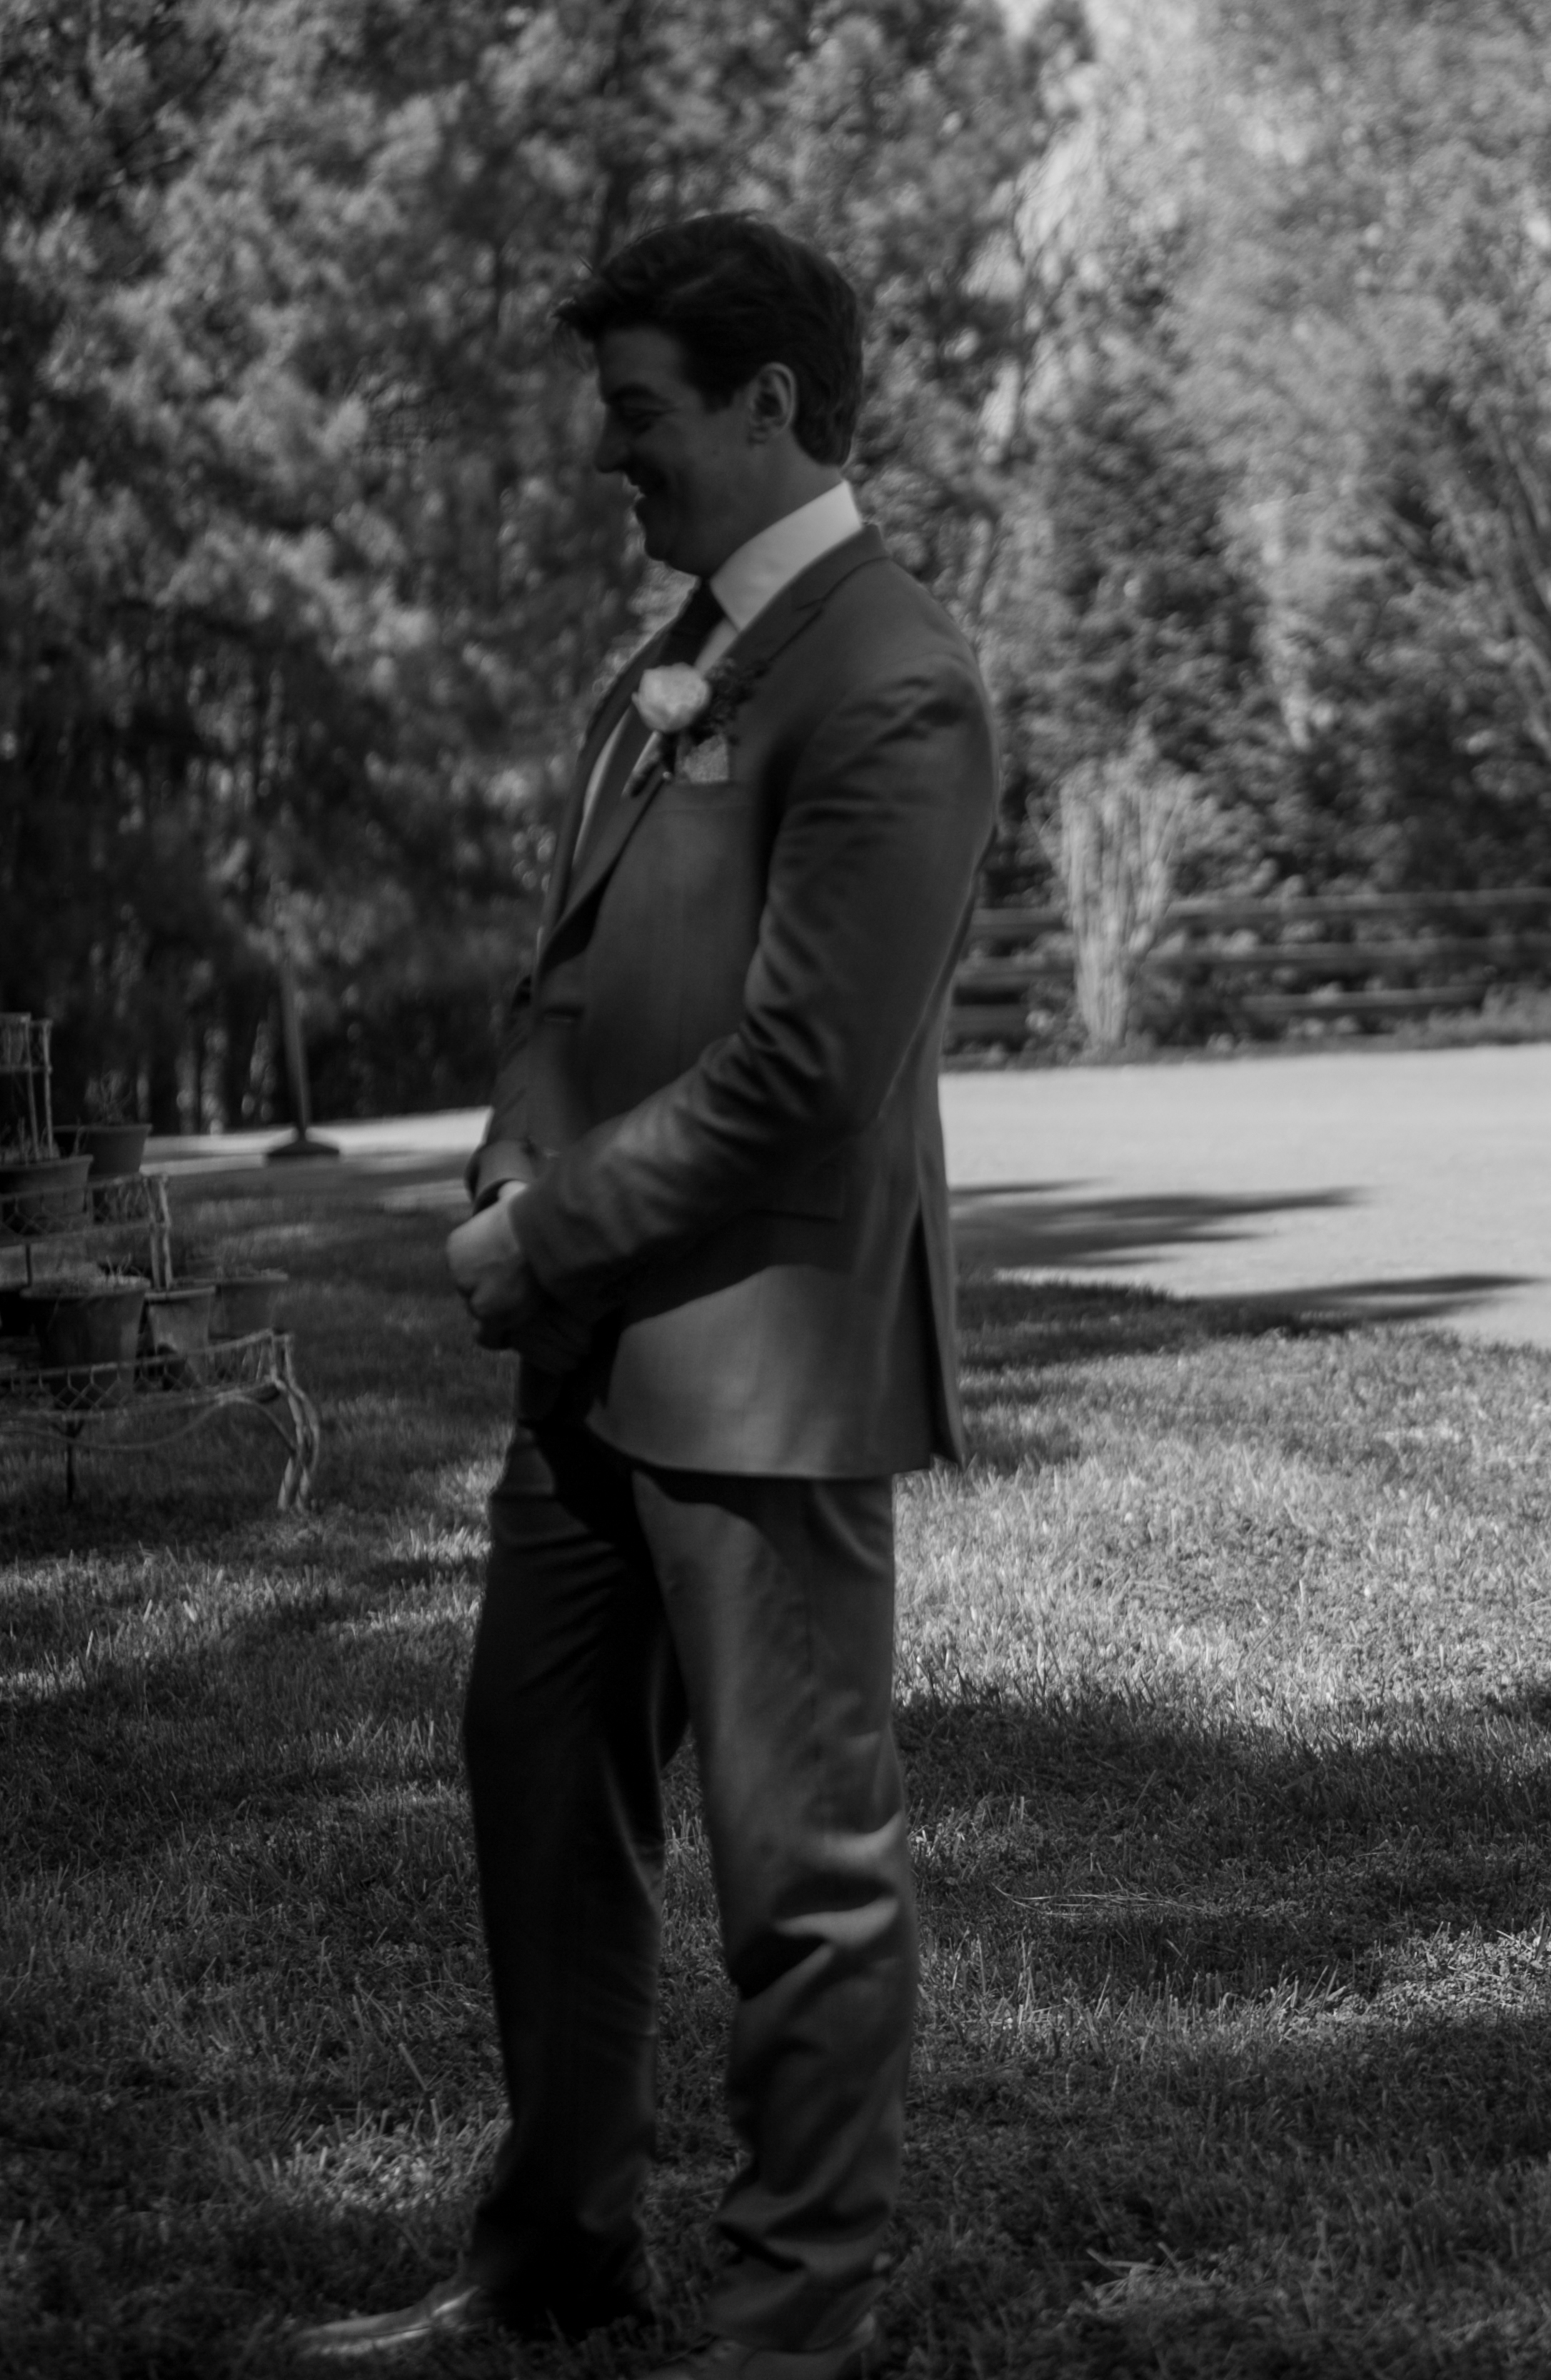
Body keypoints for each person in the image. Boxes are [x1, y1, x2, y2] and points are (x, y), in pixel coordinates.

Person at [296, 216, 996, 2377]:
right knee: (536, 1780)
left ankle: (794, 2319)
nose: (610, 455)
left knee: (802, 1867)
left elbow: (805, 1073)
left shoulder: (894, 676)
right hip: (590, 1354)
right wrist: (515, 1159)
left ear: (768, 403)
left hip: (766, 1358)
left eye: (637, 412)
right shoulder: (661, 669)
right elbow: (568, 979)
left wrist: (547, 1233)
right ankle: (552, 2256)